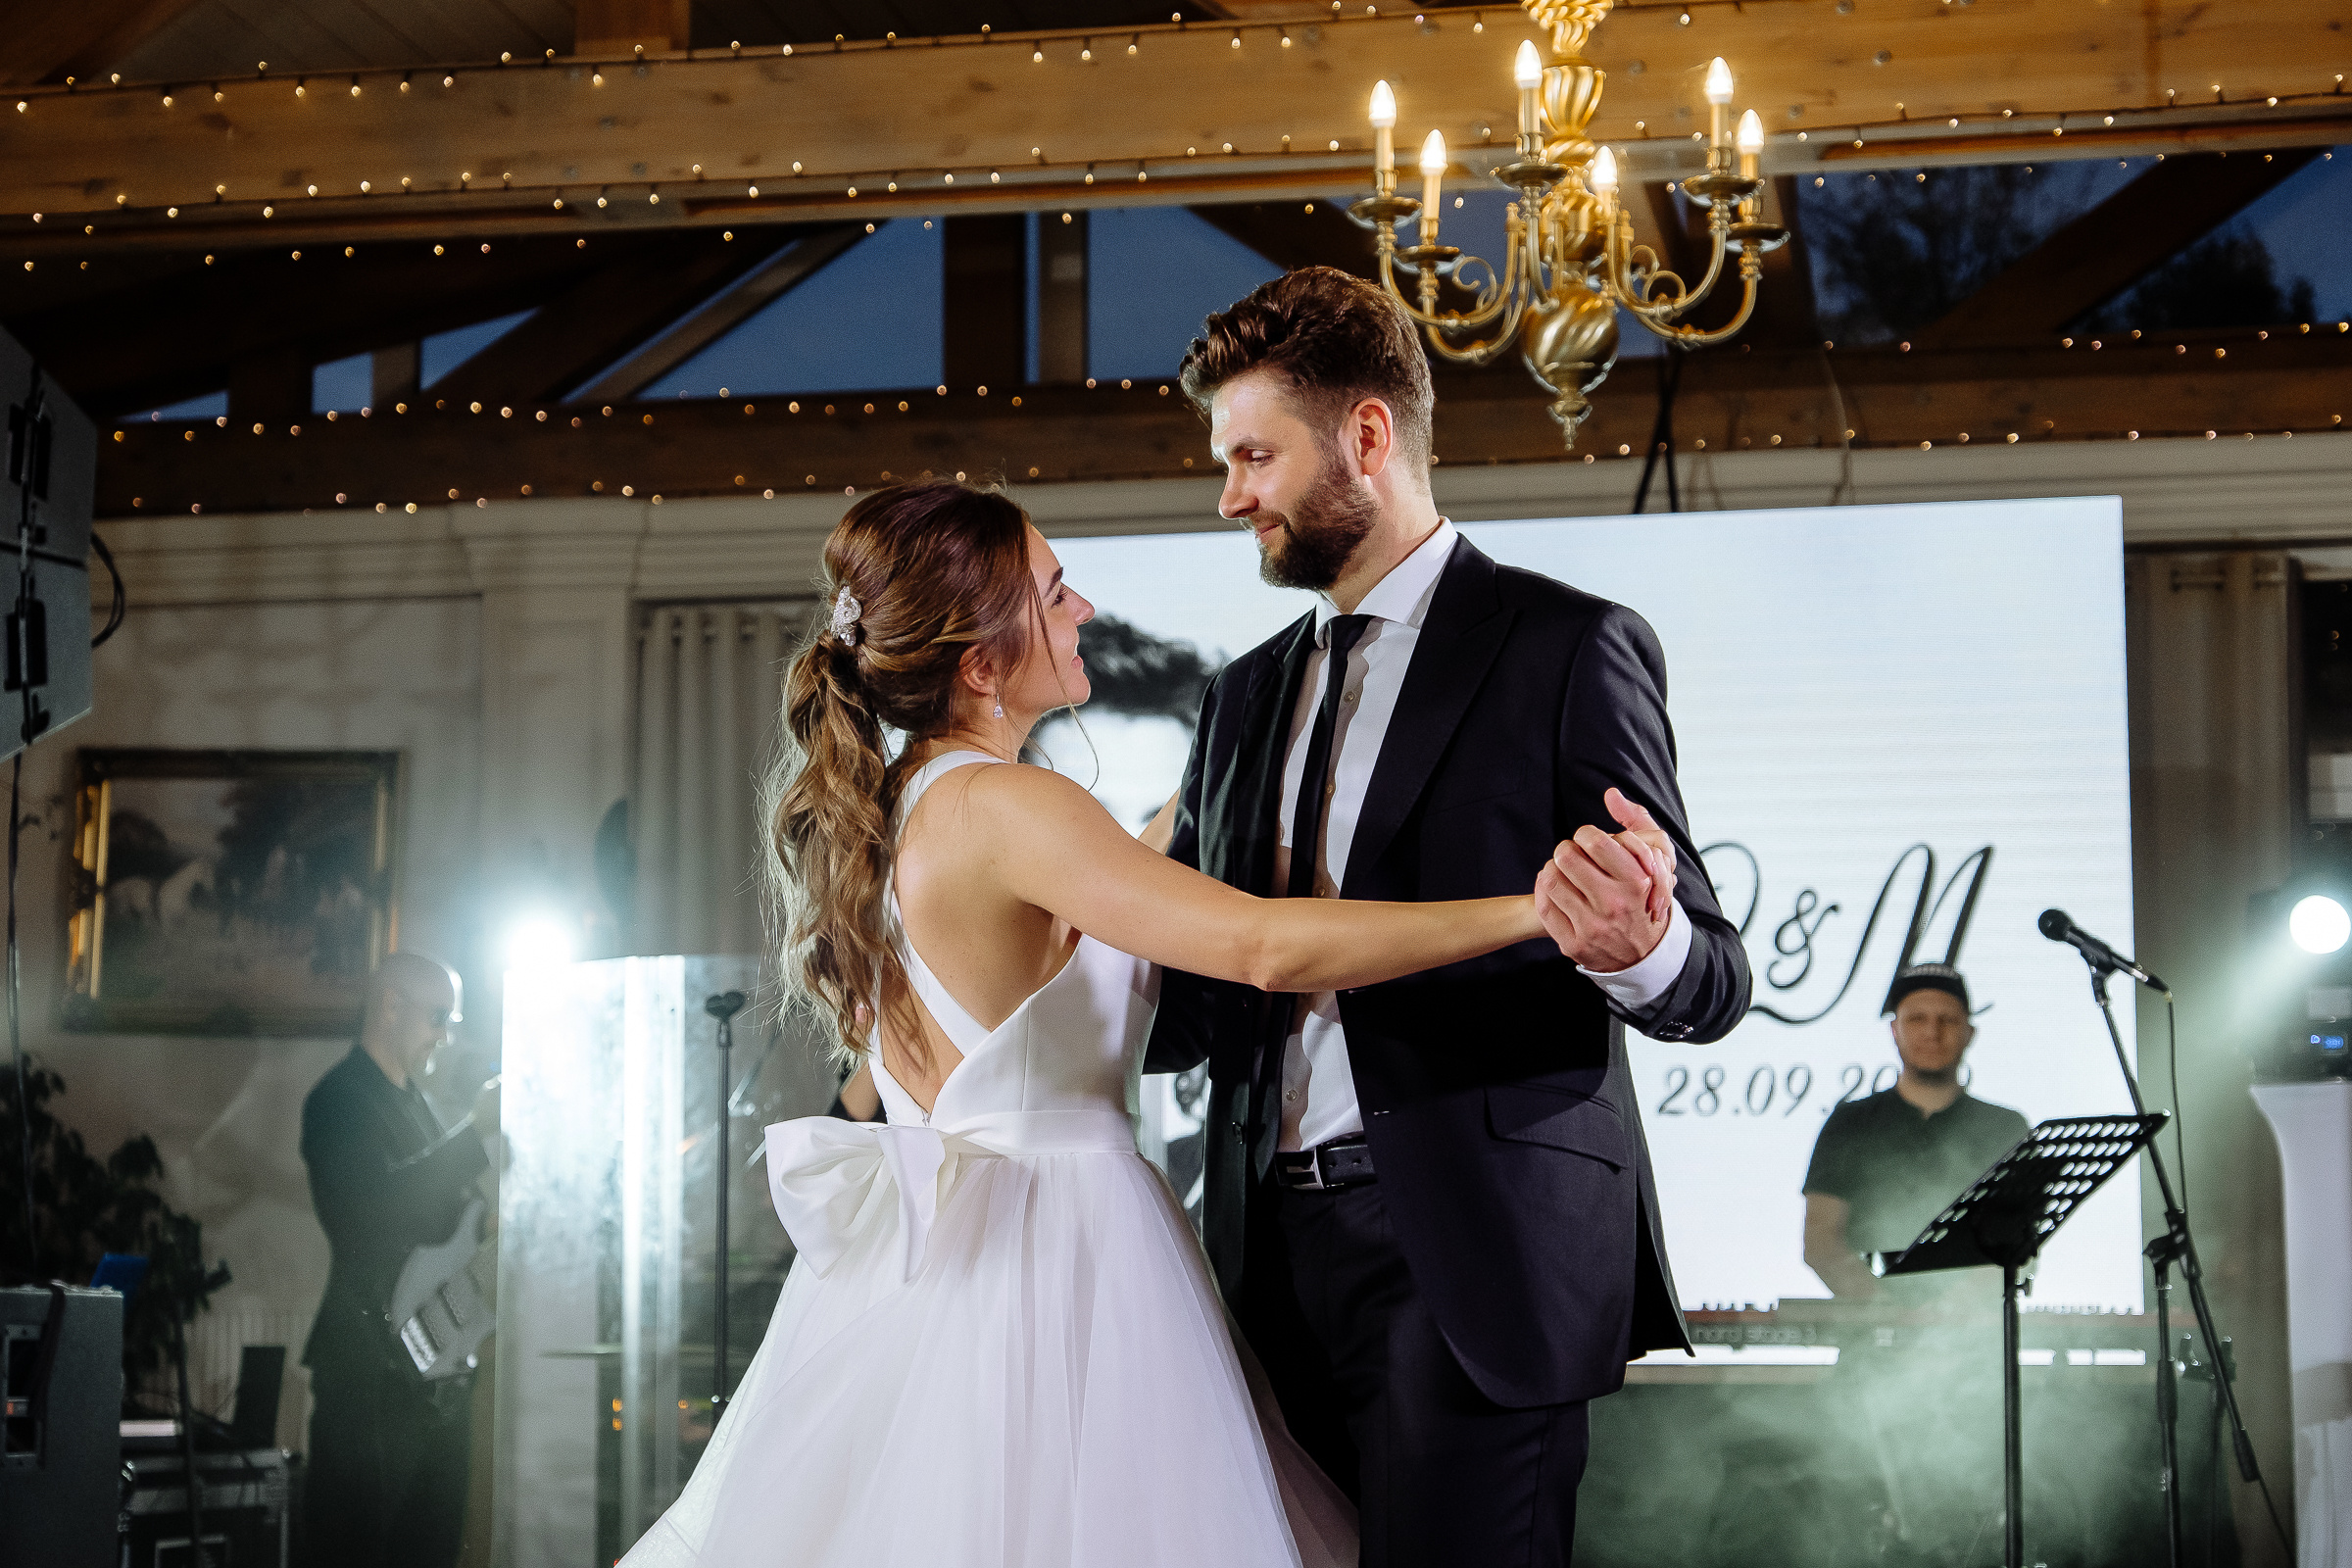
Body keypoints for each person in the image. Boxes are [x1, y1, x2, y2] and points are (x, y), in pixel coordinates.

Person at [618, 479, 1673, 1568]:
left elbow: (1129, 861)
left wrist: (1213, 785)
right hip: (1065, 1257)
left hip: (953, 1272)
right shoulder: (1013, 807)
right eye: (1055, 590)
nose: (1083, 611)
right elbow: (1264, 947)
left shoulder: (902, 805)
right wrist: (1536, 908)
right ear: (981, 661)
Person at [1146, 267, 1753, 1568]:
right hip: (1263, 1262)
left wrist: (1641, 947)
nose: (1230, 494)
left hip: (1473, 1260)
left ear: (1366, 437)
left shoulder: (1567, 646)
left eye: (1255, 454)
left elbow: (1712, 975)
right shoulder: (1241, 698)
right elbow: (1194, 1002)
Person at [299, 951, 499, 1568]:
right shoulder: (337, 1100)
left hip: (431, 1376)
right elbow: (370, 1213)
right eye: (437, 1016)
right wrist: (472, 1136)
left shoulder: (419, 1105)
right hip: (369, 1377)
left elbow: (434, 1222)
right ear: (388, 1003)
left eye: (453, 1021)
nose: (445, 1034)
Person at [1802, 963, 2030, 1297]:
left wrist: (1953, 1315)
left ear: (1970, 1032)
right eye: (1917, 1019)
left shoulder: (2005, 1128)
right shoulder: (1849, 1123)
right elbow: (1820, 1240)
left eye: (1947, 1020)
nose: (1932, 1032)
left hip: (1981, 1338)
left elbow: (2022, 1242)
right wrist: (1887, 1311)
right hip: (1869, 1338)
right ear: (1895, 1030)